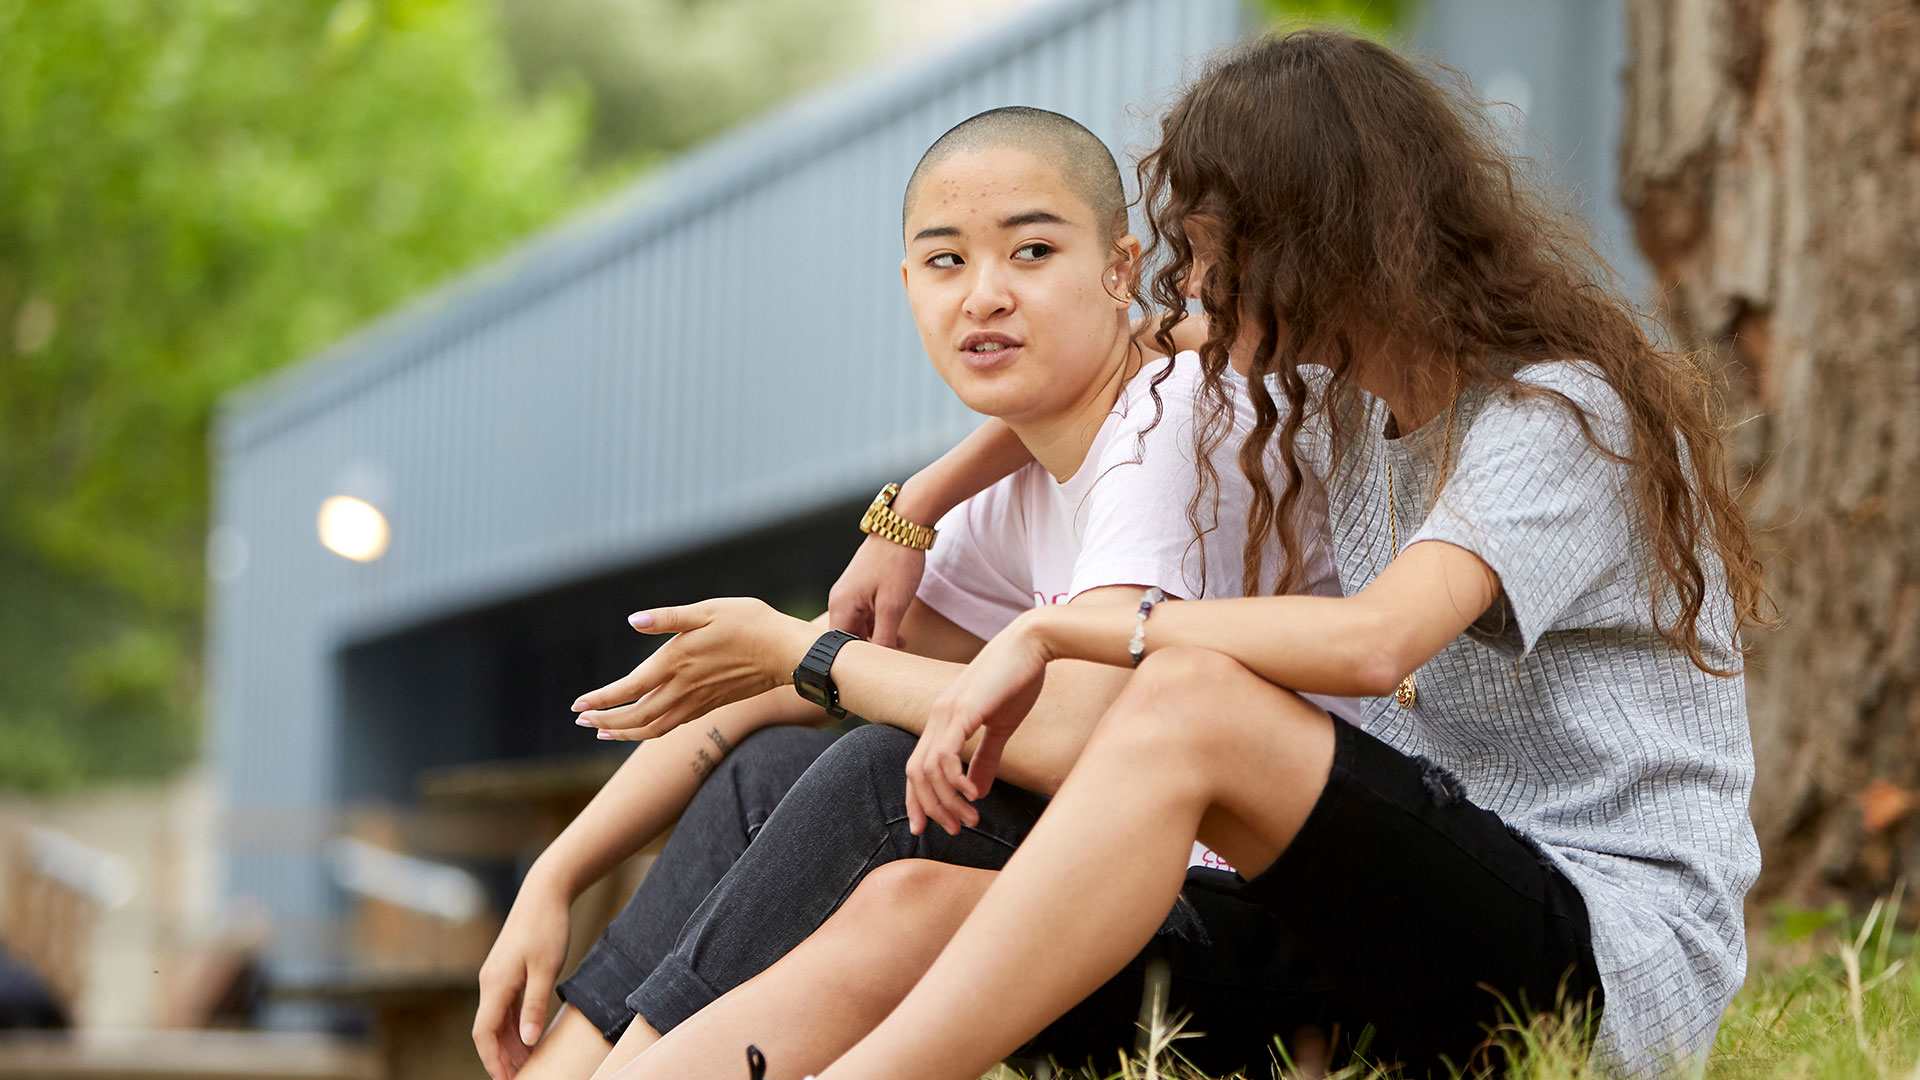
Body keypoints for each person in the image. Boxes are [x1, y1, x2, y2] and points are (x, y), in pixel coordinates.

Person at [779, 29, 1771, 1080]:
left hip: (1599, 971)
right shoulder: (1341, 403)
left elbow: (1380, 643)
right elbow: (1113, 358)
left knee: (1191, 698)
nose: (1192, 281)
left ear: (1324, 241)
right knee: (915, 903)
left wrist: (1064, 625)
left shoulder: (1560, 417)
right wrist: (915, 509)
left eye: (1213, 248)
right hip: (1399, 943)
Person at [474, 106, 1348, 1080]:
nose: (984, 296)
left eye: (1030, 250)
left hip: (1263, 922)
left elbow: (1063, 736)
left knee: (880, 772)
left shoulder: (1168, 419)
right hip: (1113, 884)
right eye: (945, 262)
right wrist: (555, 875)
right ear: (907, 286)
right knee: (771, 768)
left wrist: (802, 647)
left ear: (1119, 265)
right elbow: (801, 679)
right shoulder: (1015, 485)